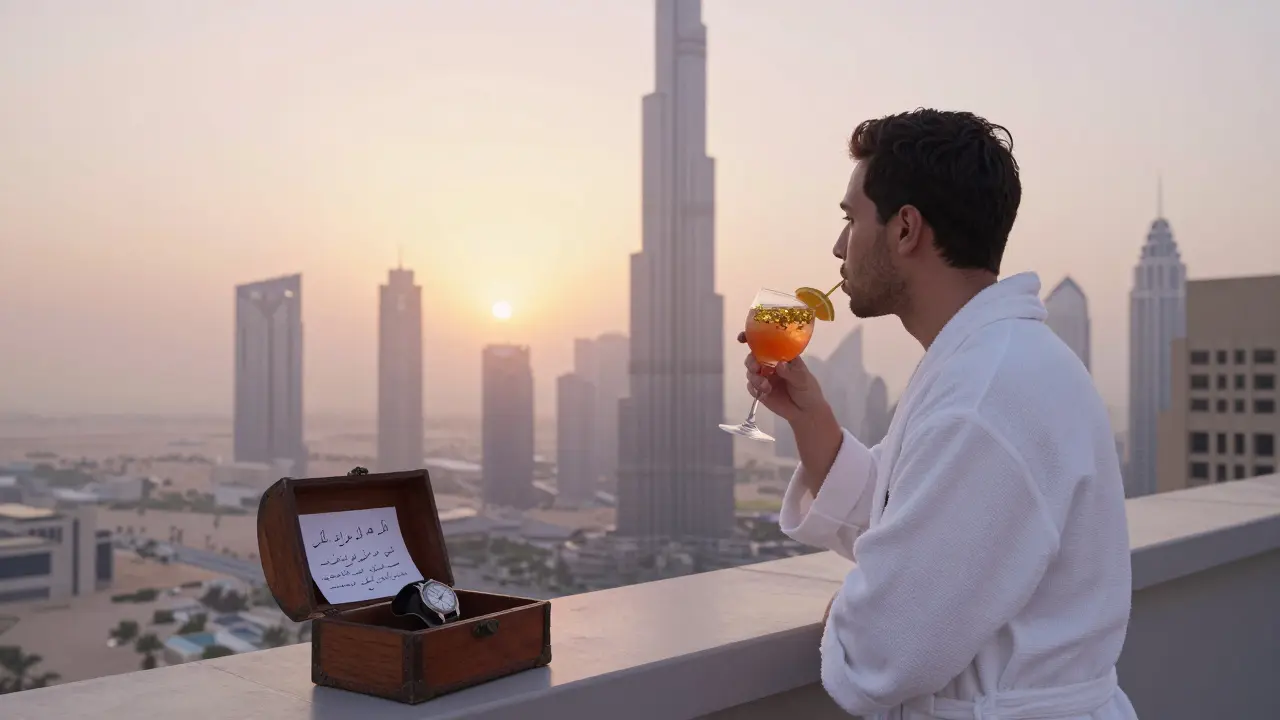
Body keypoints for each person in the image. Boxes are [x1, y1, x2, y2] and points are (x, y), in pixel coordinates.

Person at [740, 109, 1137, 719]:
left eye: (851, 219)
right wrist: (809, 420)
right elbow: (917, 517)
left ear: (905, 230)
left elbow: (885, 649)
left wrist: (844, 616)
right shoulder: (994, 361)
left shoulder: (985, 393)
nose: (839, 246)